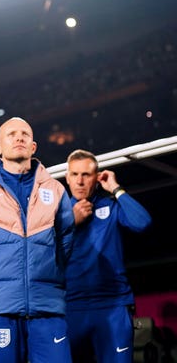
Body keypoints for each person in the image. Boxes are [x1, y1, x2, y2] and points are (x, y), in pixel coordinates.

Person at [0, 117, 75, 363]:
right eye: (11, 134)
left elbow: (65, 239)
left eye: (25, 134)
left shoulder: (55, 189)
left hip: (46, 304)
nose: (19, 137)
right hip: (0, 305)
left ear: (33, 147)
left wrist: (48, 270)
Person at [64, 149, 152, 362]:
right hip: (71, 308)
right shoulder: (55, 213)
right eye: (75, 174)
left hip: (113, 305)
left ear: (97, 177)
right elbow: (40, 253)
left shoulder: (110, 206)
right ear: (67, 178)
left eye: (86, 175)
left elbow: (142, 222)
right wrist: (69, 222)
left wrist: (115, 187)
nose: (80, 181)